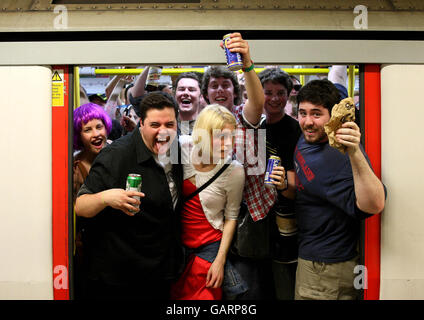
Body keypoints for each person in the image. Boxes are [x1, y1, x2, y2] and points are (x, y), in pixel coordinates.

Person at [74, 91, 184, 300]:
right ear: (141, 123)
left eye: (169, 124)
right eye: (155, 125)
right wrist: (106, 197)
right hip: (120, 276)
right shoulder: (116, 155)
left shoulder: (176, 149)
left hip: (161, 270)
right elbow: (81, 205)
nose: (163, 131)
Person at [201, 33, 279, 299]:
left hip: (249, 219)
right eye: (214, 85)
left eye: (226, 85)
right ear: (206, 92)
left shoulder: (242, 118)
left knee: (247, 290)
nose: (220, 90)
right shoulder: (198, 129)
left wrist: (247, 65)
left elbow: (257, 102)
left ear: (235, 92)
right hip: (213, 224)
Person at [294, 79, 386, 300]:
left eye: (316, 114)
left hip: (327, 270)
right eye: (302, 113)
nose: (307, 122)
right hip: (313, 258)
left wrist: (354, 152)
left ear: (332, 117)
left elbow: (375, 204)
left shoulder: (339, 158)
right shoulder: (311, 136)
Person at [171, 104, 246, 300]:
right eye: (220, 137)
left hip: (209, 250)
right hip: (177, 249)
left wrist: (220, 260)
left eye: (231, 137)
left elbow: (231, 217)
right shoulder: (182, 148)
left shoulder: (234, 170)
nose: (227, 144)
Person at [258, 67, 302, 300]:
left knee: (285, 279)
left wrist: (286, 182)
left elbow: (302, 179)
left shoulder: (296, 130)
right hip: (260, 219)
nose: (275, 98)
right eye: (268, 92)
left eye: (280, 92)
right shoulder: (256, 127)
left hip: (287, 217)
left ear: (288, 94)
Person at [73, 103, 112, 203]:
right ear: (79, 136)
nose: (96, 134)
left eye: (99, 127)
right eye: (87, 130)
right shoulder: (76, 167)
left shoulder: (117, 153)